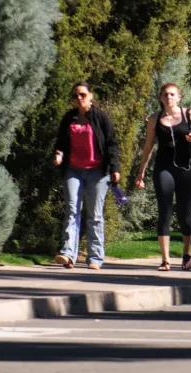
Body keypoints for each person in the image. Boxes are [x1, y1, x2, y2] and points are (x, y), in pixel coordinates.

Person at [137, 83, 191, 271]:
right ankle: (165, 260)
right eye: (165, 94)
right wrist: (141, 172)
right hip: (164, 168)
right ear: (160, 98)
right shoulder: (155, 119)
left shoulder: (189, 115)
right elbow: (148, 147)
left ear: (179, 97)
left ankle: (187, 250)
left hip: (187, 169)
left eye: (172, 94)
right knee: (164, 211)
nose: (169, 97)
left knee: (185, 215)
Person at [53, 82, 120, 270]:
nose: (79, 98)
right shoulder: (69, 118)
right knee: (72, 209)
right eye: (76, 96)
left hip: (98, 171)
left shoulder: (101, 117)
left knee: (95, 214)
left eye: (82, 94)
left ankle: (95, 258)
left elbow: (111, 144)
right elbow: (60, 142)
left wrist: (114, 168)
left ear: (91, 96)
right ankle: (68, 254)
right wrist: (59, 154)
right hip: (73, 169)